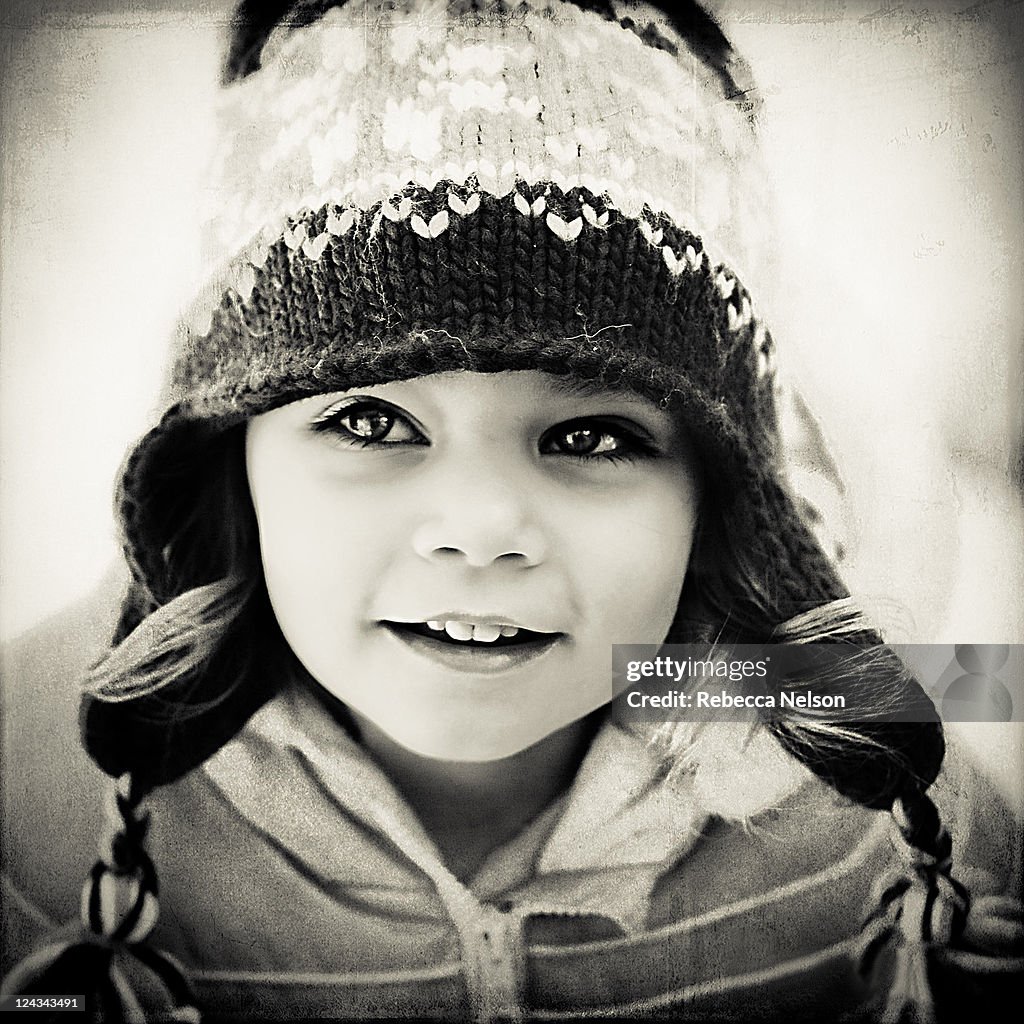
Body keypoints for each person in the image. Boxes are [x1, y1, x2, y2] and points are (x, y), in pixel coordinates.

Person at [1, 1, 1021, 1020]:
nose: (481, 525)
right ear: (229, 460)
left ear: (724, 499)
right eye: (368, 420)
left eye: (591, 437)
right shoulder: (33, 774)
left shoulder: (868, 752)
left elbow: (978, 692)